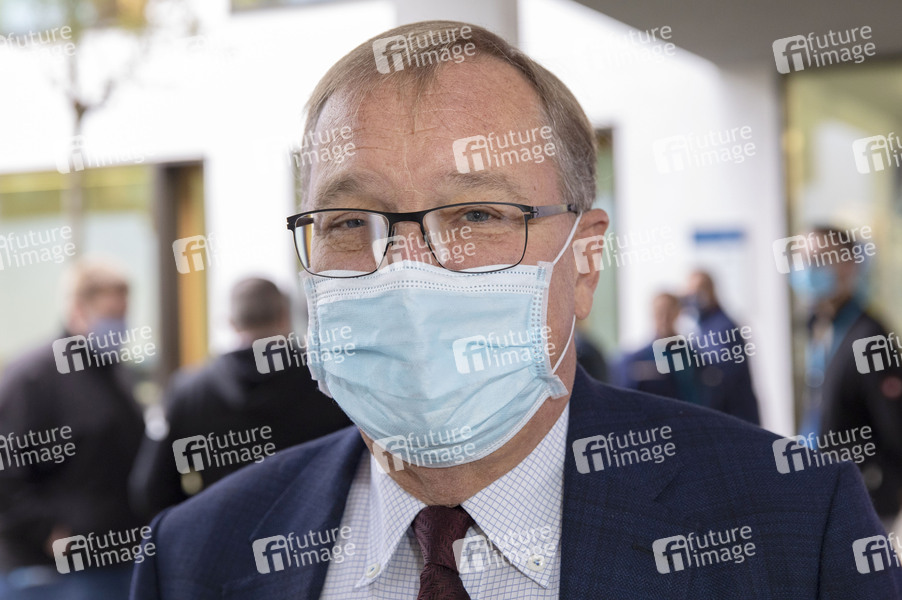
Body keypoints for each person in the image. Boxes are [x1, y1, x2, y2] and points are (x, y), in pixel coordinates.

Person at [131, 22, 900, 599]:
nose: (406, 270)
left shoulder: (795, 527)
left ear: (585, 261)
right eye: (347, 222)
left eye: (476, 215)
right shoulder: (197, 556)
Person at [128, 277, 351, 519]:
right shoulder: (327, 381)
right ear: (284, 316)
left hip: (224, 530)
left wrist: (200, 522)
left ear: (231, 322)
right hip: (314, 529)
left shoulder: (189, 391)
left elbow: (151, 489)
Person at [0, 259, 145, 599]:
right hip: (49, 573)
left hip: (116, 562)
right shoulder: (32, 377)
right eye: (110, 315)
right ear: (78, 310)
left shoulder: (115, 374)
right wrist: (46, 532)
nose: (119, 326)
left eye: (123, 315)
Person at [791, 226, 902, 526]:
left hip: (863, 500)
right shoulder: (818, 326)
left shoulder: (869, 338)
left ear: (850, 265)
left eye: (819, 258)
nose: (807, 269)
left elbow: (894, 424)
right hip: (822, 490)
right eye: (801, 259)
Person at [682, 270, 760, 424]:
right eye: (690, 293)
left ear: (711, 290)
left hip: (734, 417)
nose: (694, 297)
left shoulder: (724, 327)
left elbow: (716, 372)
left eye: (699, 291)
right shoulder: (700, 326)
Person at [618, 292, 699, 403]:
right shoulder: (638, 360)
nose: (664, 319)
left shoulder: (691, 355)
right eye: (660, 313)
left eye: (669, 313)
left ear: (678, 313)